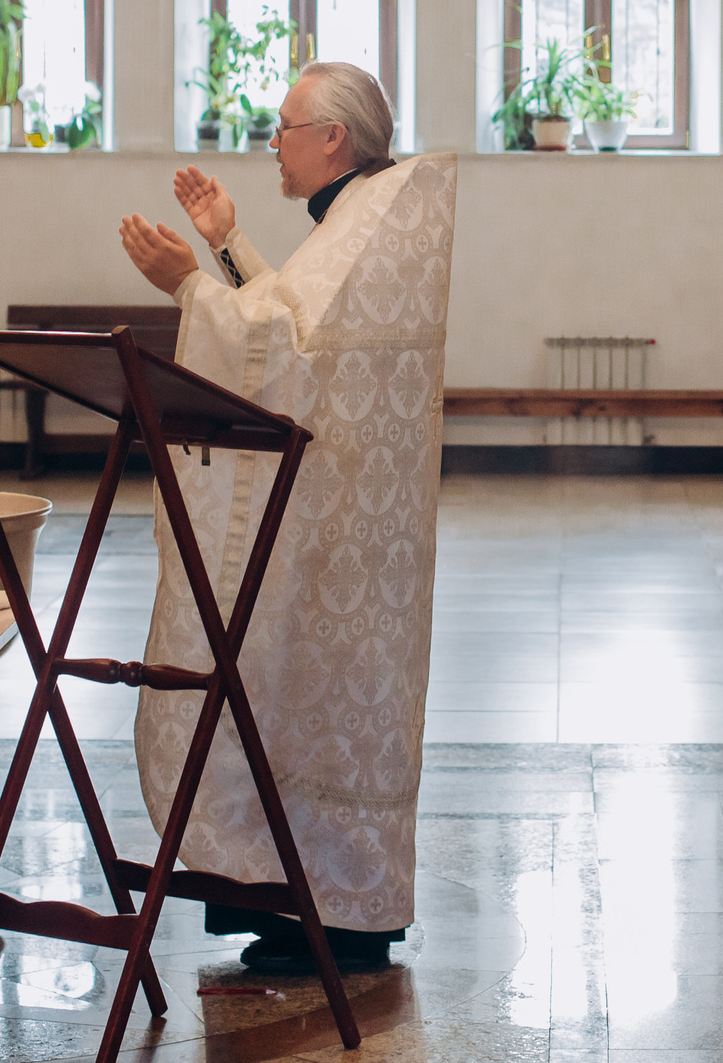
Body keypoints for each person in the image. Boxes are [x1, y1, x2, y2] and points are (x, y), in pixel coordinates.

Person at [117, 62, 455, 973]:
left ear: (334, 137)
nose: (275, 140)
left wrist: (190, 285)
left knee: (306, 687)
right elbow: (293, 325)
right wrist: (226, 244)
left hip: (336, 529)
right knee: (292, 691)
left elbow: (279, 350)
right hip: (334, 520)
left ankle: (336, 912)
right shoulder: (361, 215)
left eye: (286, 125)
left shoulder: (368, 218)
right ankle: (299, 898)